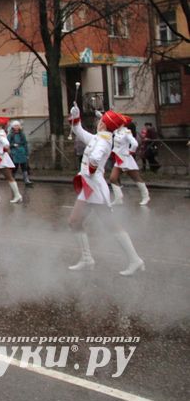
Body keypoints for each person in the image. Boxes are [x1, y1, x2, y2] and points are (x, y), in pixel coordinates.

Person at [66, 107, 144, 276]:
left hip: (95, 187)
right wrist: (76, 116)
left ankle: (135, 260)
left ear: (102, 124)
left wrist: (91, 169)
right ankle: (87, 258)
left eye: (99, 121)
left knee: (111, 225)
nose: (97, 122)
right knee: (74, 221)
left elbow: (95, 158)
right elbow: (78, 131)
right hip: (88, 187)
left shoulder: (102, 141)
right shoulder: (98, 137)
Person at [109, 116, 150, 206]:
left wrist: (130, 152)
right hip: (118, 159)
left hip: (126, 159)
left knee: (136, 178)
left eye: (117, 122)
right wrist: (101, 116)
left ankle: (146, 196)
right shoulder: (116, 131)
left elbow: (135, 143)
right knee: (112, 178)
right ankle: (118, 198)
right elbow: (108, 122)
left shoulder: (127, 132)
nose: (115, 123)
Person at [0, 116, 23, 204]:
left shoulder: (1, 134)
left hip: (2, 159)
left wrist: (5, 148)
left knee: (9, 177)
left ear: (0, 126)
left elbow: (6, 143)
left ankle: (18, 195)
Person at [8, 120, 33, 186]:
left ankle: (26, 180)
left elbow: (25, 144)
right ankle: (12, 179)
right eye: (15, 126)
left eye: (18, 126)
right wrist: (13, 145)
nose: (17, 127)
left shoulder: (22, 134)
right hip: (14, 153)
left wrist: (27, 153)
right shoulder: (10, 135)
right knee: (14, 167)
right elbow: (7, 144)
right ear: (13, 127)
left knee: (24, 166)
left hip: (22, 152)